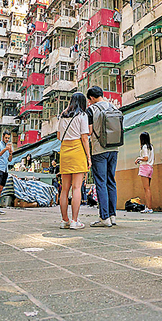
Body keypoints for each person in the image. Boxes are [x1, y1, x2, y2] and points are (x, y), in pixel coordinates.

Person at [86, 86, 120, 227]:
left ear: (92, 98)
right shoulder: (113, 106)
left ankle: (104, 218)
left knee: (100, 182)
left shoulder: (91, 110)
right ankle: (112, 216)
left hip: (99, 150)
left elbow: (88, 132)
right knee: (111, 181)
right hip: (114, 148)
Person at [57, 92, 90, 230]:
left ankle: (65, 220)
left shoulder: (62, 115)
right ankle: (74, 221)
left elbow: (59, 136)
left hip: (64, 151)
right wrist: (88, 157)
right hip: (77, 150)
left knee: (65, 189)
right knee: (77, 187)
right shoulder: (82, 115)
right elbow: (84, 138)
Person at [134, 132, 154, 214]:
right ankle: (148, 206)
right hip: (150, 167)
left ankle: (149, 207)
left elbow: (146, 158)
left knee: (146, 189)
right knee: (148, 188)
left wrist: (138, 158)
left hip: (144, 167)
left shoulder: (144, 147)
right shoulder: (151, 147)